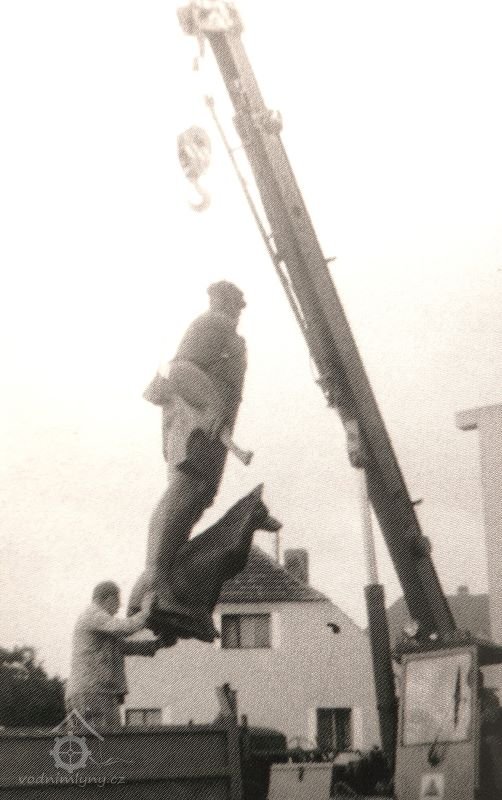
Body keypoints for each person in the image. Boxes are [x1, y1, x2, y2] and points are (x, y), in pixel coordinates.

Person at [65, 582, 165, 730]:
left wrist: (158, 644)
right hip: (94, 693)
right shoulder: (93, 615)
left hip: (94, 692)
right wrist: (146, 611)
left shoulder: (98, 622)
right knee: (105, 741)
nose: (119, 608)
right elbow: (125, 628)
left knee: (101, 740)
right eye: (118, 602)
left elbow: (123, 647)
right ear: (109, 599)